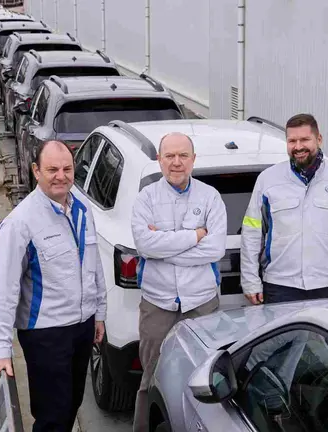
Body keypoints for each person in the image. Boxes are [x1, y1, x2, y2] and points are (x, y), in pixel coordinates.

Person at [0, 140, 107, 432]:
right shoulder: (20, 223)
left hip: (82, 327)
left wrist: (99, 312)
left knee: (72, 403)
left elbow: (94, 265)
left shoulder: (81, 209)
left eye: (67, 169)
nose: (61, 176)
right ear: (36, 171)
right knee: (52, 414)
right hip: (46, 335)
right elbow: (3, 290)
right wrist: (0, 352)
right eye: (52, 169)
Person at [130, 132, 227, 432]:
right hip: (157, 305)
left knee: (204, 376)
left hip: (202, 304)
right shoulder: (146, 198)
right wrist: (193, 236)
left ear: (193, 160)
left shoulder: (210, 197)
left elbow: (216, 249)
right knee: (151, 375)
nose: (176, 162)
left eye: (183, 155)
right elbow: (146, 245)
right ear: (159, 160)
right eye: (169, 156)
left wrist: (165, 247)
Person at [240, 113, 328, 304]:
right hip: (279, 286)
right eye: (292, 140)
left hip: (327, 285)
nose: (298, 146)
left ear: (319, 139)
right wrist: (250, 280)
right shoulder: (268, 180)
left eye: (304, 139)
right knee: (282, 335)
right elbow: (252, 234)